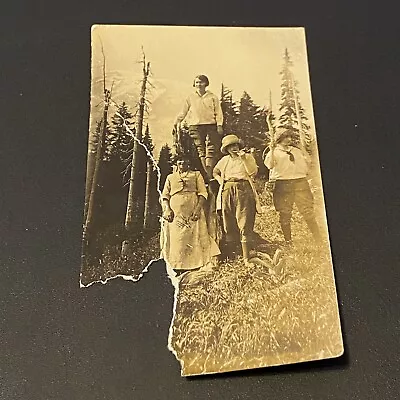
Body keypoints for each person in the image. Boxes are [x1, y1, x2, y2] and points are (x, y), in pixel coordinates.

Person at [160, 155, 220, 273]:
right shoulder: (171, 177)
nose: (182, 165)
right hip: (175, 212)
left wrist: (197, 209)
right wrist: (167, 209)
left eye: (185, 162)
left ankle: (195, 265)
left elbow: (203, 193)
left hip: (192, 209)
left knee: (194, 236)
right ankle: (176, 265)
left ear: (189, 163)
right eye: (180, 162)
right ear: (176, 164)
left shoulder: (196, 175)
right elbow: (165, 195)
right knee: (177, 238)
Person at [264, 129, 322, 246]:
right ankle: (288, 242)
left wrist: (303, 149)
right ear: (279, 139)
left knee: (307, 211)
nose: (289, 139)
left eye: (290, 137)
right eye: (286, 137)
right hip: (283, 184)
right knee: (285, 213)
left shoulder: (296, 151)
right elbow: (269, 165)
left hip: (300, 183)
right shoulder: (273, 152)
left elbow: (308, 163)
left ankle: (319, 239)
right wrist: (271, 149)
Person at [213, 134, 261, 264]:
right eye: (230, 146)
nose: (233, 148)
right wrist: (221, 181)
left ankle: (246, 258)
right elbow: (215, 171)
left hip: (243, 188)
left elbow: (252, 172)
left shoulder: (248, 157)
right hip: (227, 189)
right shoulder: (224, 160)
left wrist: (244, 158)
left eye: (235, 145)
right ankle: (234, 256)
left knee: (244, 220)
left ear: (239, 146)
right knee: (228, 221)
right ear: (226, 149)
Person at [175, 75, 224, 179]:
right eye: (197, 82)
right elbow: (184, 111)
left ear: (206, 84)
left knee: (210, 149)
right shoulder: (190, 97)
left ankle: (210, 173)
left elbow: (218, 112)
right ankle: (207, 175)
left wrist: (219, 125)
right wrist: (177, 122)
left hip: (211, 125)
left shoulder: (212, 97)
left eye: (201, 82)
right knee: (200, 149)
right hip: (195, 126)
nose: (199, 85)